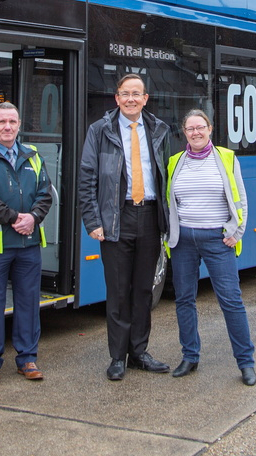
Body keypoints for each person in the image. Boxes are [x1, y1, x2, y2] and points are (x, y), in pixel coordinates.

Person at [78, 73, 172, 381]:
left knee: (144, 290)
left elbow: (166, 178)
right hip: (115, 219)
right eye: (125, 93)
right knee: (118, 292)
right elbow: (87, 177)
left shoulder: (159, 130)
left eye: (137, 93)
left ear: (145, 99)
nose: (131, 98)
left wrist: (168, 221)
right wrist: (93, 221)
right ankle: (117, 357)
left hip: (149, 217)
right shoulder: (99, 131)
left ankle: (139, 352)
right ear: (116, 98)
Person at [166, 109, 256, 386]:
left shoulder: (226, 158)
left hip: (218, 239)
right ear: (184, 132)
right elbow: (171, 202)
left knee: (231, 301)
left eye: (200, 127)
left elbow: (240, 197)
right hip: (183, 241)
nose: (195, 132)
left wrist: (236, 231)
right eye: (190, 128)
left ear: (210, 129)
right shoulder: (175, 161)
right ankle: (190, 356)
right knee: (184, 299)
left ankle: (246, 362)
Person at [0, 102, 53, 385]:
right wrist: (16, 217)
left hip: (28, 244)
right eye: (1, 122)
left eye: (12, 122)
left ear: (19, 125)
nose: (7, 127)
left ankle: (27, 358)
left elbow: (45, 194)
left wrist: (34, 217)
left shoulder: (33, 156)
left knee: (29, 303)